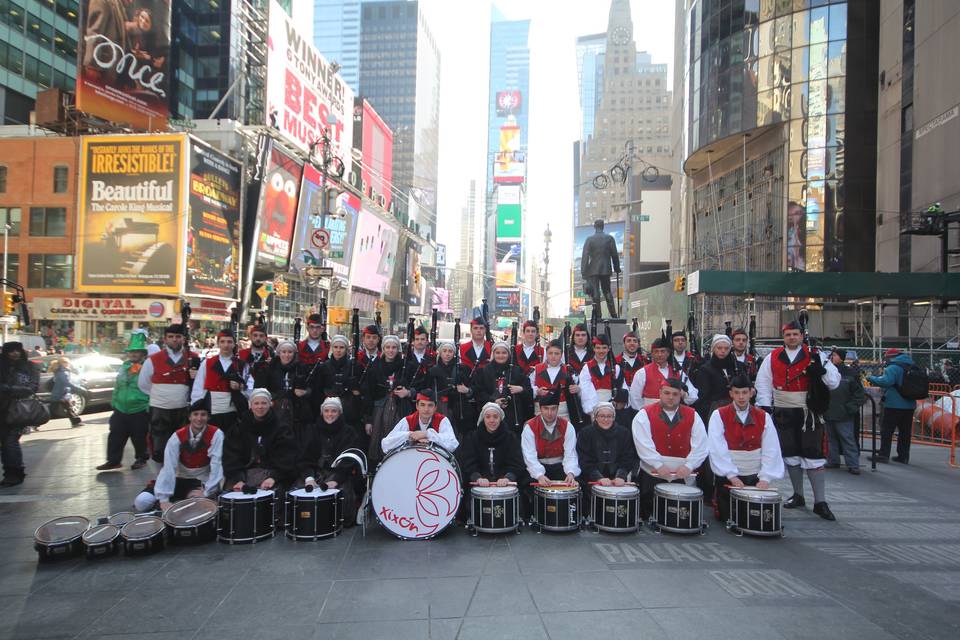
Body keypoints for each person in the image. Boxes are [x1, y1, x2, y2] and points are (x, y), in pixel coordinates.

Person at [755, 321, 841, 520]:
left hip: (808, 413)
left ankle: (820, 502)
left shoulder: (816, 355)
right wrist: (765, 407)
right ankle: (798, 495)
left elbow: (834, 383)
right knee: (790, 455)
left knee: (814, 455)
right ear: (783, 337)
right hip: (784, 412)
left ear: (802, 336)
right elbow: (763, 383)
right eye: (788, 334)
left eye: (795, 334)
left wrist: (822, 372)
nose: (792, 337)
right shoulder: (772, 357)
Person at [708, 375, 785, 522]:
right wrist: (731, 475)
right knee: (728, 517)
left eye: (744, 392)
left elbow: (771, 448)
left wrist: (765, 477)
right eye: (736, 393)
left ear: (751, 392)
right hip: (729, 476)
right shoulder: (719, 415)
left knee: (755, 518)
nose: (741, 397)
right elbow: (717, 448)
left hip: (755, 475)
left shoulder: (763, 416)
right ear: (731, 394)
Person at [631, 378, 709, 518]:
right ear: (660, 392)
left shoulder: (693, 415)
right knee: (651, 513)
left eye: (675, 394)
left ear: (681, 395)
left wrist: (690, 466)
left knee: (681, 515)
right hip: (653, 472)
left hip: (683, 473)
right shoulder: (644, 414)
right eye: (667, 393)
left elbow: (701, 445)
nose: (670, 397)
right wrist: (658, 464)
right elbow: (643, 444)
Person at [134, 395, 224, 511]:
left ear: (208, 417)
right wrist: (163, 499)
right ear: (190, 417)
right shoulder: (177, 436)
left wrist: (207, 491)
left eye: (203, 415)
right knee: (142, 502)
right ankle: (163, 504)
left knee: (196, 507)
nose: (199, 418)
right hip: (178, 479)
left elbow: (217, 464)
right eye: (195, 414)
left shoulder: (216, 434)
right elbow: (168, 467)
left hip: (201, 481)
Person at [299, 397, 365, 526]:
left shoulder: (349, 432)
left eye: (333, 411)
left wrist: (336, 480)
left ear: (339, 413)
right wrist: (309, 478)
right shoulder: (312, 430)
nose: (330, 414)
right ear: (322, 412)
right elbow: (304, 457)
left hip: (339, 473)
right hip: (315, 472)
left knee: (342, 495)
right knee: (299, 492)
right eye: (327, 411)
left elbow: (350, 458)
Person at [138, 324, 197, 463]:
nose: (174, 340)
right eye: (171, 337)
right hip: (159, 411)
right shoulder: (153, 359)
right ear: (165, 340)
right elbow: (143, 384)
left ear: (184, 339)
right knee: (160, 449)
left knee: (183, 447)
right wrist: (161, 396)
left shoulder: (193, 358)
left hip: (183, 410)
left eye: (178, 337)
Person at [223, 389, 300, 494]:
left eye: (264, 403)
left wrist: (274, 477)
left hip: (272, 473)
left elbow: (286, 457)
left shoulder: (281, 429)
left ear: (270, 404)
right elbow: (231, 457)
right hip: (243, 473)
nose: (260, 407)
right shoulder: (239, 428)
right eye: (256, 403)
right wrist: (238, 479)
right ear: (251, 405)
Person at [97, 332, 151, 471]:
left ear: (142, 354)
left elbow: (152, 387)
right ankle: (113, 461)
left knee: (139, 436)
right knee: (115, 434)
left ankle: (141, 458)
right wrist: (114, 403)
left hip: (139, 408)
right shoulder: (124, 366)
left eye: (136, 352)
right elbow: (118, 385)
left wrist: (148, 405)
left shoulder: (148, 367)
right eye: (131, 352)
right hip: (120, 408)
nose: (133, 354)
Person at [191, 329, 252, 435]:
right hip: (211, 410)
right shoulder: (207, 363)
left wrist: (240, 387)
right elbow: (198, 387)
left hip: (233, 412)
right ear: (218, 343)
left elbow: (250, 387)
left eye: (229, 342)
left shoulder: (241, 365)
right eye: (222, 342)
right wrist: (196, 409)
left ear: (234, 344)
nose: (226, 345)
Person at [457, 402, 526, 489]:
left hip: (505, 484)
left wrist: (508, 478)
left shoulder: (510, 437)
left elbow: (517, 463)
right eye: (488, 417)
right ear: (483, 418)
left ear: (500, 419)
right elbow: (468, 462)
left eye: (495, 417)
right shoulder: (472, 437)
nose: (492, 420)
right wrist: (477, 477)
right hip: (479, 484)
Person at [867, 348, 918, 465]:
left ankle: (884, 454)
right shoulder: (912, 366)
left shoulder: (893, 368)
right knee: (905, 432)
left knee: (887, 430)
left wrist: (871, 378)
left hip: (893, 404)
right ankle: (903, 456)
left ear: (890, 357)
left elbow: (886, 382)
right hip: (909, 404)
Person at [472, 342, 533, 434]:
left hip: (513, 417)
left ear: (509, 355)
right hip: (491, 416)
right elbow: (479, 392)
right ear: (493, 354)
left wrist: (521, 389)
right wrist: (493, 401)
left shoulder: (516, 370)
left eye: (504, 353)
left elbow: (528, 390)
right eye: (498, 353)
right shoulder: (484, 371)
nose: (501, 355)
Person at [0, 342, 39, 486]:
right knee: (5, 443)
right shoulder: (2, 366)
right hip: (2, 408)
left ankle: (15, 473)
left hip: (18, 410)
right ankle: (9, 472)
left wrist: (8, 388)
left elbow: (32, 387)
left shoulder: (29, 367)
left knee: (10, 441)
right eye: (11, 351)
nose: (15, 353)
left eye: (17, 350)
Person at [363, 335, 406, 464]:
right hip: (379, 411)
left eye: (394, 347)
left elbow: (411, 387)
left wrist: (407, 392)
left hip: (399, 410)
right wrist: (368, 420)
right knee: (378, 441)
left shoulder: (405, 366)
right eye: (387, 347)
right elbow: (369, 395)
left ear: (398, 349)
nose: (390, 350)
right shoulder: (375, 367)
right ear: (383, 349)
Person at [520, 394, 580, 486]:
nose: (549, 413)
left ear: (558, 408)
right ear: (540, 409)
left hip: (561, 467)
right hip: (537, 467)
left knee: (577, 484)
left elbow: (571, 454)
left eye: (553, 408)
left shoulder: (567, 426)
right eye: (546, 408)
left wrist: (570, 472)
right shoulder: (530, 427)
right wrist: (539, 475)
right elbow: (529, 456)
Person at [824, 348, 865, 474]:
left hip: (843, 412)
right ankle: (833, 460)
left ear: (841, 357)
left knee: (847, 438)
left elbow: (859, 393)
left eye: (834, 355)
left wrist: (850, 407)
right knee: (831, 438)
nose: (832, 357)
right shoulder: (827, 371)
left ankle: (853, 464)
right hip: (830, 410)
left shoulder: (849, 373)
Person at [577, 402, 637, 487]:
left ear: (614, 418)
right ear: (596, 417)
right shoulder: (585, 433)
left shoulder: (624, 433)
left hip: (618, 482)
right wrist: (598, 477)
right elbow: (584, 459)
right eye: (602, 416)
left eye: (609, 416)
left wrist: (621, 476)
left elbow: (628, 457)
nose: (606, 420)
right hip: (590, 481)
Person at [381, 389, 459, 454]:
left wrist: (427, 434)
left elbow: (453, 445)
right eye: (422, 405)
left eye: (430, 405)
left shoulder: (442, 420)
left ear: (435, 407)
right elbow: (386, 445)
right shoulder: (408, 420)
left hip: (435, 462)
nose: (426, 409)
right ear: (417, 406)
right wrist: (410, 435)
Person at [629, 338, 699, 409]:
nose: (659, 354)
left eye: (662, 351)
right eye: (656, 352)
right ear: (652, 354)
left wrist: (684, 394)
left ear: (668, 353)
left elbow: (693, 395)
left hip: (674, 415)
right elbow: (635, 397)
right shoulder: (642, 373)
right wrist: (645, 414)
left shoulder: (678, 371)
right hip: (650, 415)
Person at [426, 341, 475, 440]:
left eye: (450, 351)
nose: (447, 354)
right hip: (440, 407)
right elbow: (427, 389)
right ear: (440, 352)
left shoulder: (463, 369)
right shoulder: (432, 370)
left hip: (459, 409)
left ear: (454, 353)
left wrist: (467, 390)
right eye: (444, 351)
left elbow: (473, 388)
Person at [694, 334, 745, 421]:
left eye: (726, 348)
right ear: (713, 349)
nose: (723, 351)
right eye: (719, 348)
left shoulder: (738, 366)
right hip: (714, 411)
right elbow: (703, 396)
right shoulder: (705, 369)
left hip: (737, 408)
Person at [531, 339, 581, 424]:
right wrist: (536, 391)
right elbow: (529, 387)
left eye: (557, 353)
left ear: (561, 355)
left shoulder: (569, 370)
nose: (553, 356)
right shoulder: (536, 369)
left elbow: (580, 385)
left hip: (563, 413)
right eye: (550, 353)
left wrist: (577, 388)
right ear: (546, 354)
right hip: (541, 411)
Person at [580, 218, 620, 320]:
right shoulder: (610, 238)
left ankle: (598, 316)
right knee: (607, 291)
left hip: (593, 270)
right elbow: (615, 255)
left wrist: (583, 272)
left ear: (594, 227)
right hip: (605, 269)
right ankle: (614, 315)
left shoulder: (589, 239)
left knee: (596, 293)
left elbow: (585, 257)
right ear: (603, 226)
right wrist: (617, 267)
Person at [578, 335, 626, 416]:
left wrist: (617, 405)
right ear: (594, 349)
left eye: (604, 348)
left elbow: (622, 387)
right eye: (598, 348)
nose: (601, 351)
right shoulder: (587, 368)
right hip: (594, 410)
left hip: (612, 410)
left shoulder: (616, 368)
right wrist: (592, 411)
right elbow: (585, 391)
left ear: (608, 349)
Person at [263, 340, 303, 426]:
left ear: (294, 353)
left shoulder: (300, 368)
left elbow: (307, 388)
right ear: (279, 353)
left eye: (290, 352)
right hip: (275, 406)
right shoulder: (271, 368)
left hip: (295, 408)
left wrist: (304, 392)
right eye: (283, 352)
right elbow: (265, 387)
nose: (286, 355)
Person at [615, 331, 646, 426]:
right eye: (629, 341)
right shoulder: (615, 362)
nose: (632, 343)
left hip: (640, 404)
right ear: (624, 344)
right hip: (622, 406)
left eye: (635, 341)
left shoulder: (645, 361)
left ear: (638, 344)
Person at [49, 358, 83, 427]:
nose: (68, 364)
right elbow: (67, 382)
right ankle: (34, 424)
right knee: (51, 410)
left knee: (68, 408)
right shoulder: (62, 372)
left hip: (61, 393)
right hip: (60, 394)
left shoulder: (61, 371)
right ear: (63, 363)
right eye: (67, 363)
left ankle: (76, 422)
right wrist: (79, 388)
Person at [240, 324, 274, 388]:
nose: (258, 338)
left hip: (262, 392)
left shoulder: (271, 355)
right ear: (250, 337)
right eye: (255, 335)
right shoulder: (242, 354)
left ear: (265, 338)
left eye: (261, 336)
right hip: (244, 391)